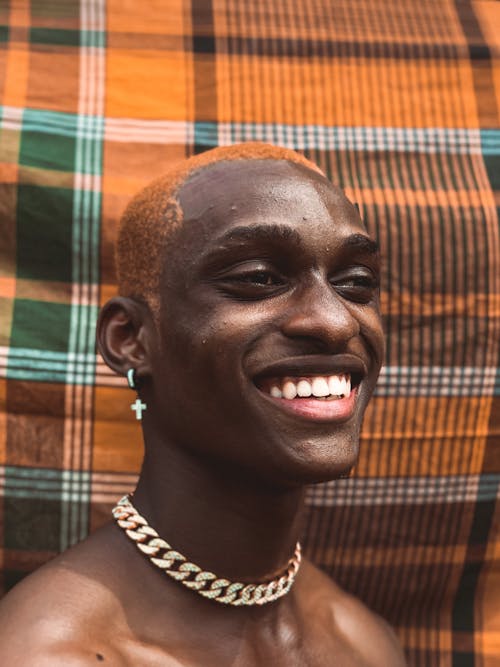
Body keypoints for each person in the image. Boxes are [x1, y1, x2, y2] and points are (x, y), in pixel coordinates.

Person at [0, 143, 406, 666]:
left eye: (356, 284)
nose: (335, 322)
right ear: (131, 339)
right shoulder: (53, 653)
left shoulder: (360, 638)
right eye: (258, 277)